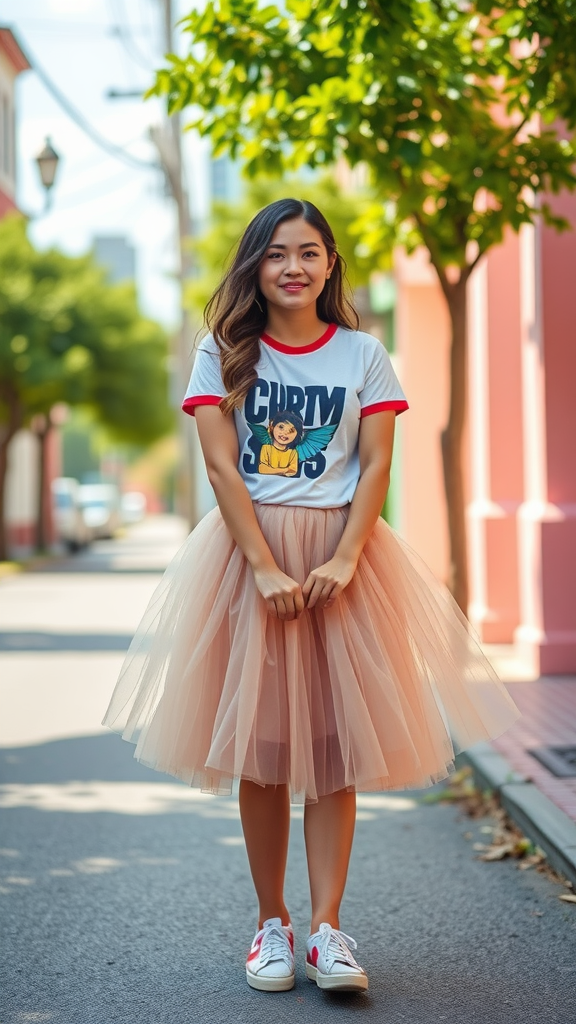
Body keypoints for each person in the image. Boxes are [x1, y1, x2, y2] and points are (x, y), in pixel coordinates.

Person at [102, 198, 520, 995]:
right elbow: (225, 469)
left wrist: (348, 558)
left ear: (330, 264)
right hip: (245, 558)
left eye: (310, 252)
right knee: (261, 753)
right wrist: (261, 565)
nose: (294, 266)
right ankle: (272, 923)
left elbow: (375, 466)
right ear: (254, 266)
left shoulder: (364, 354)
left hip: (342, 560)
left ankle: (328, 929)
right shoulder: (223, 352)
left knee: (334, 751)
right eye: (277, 253)